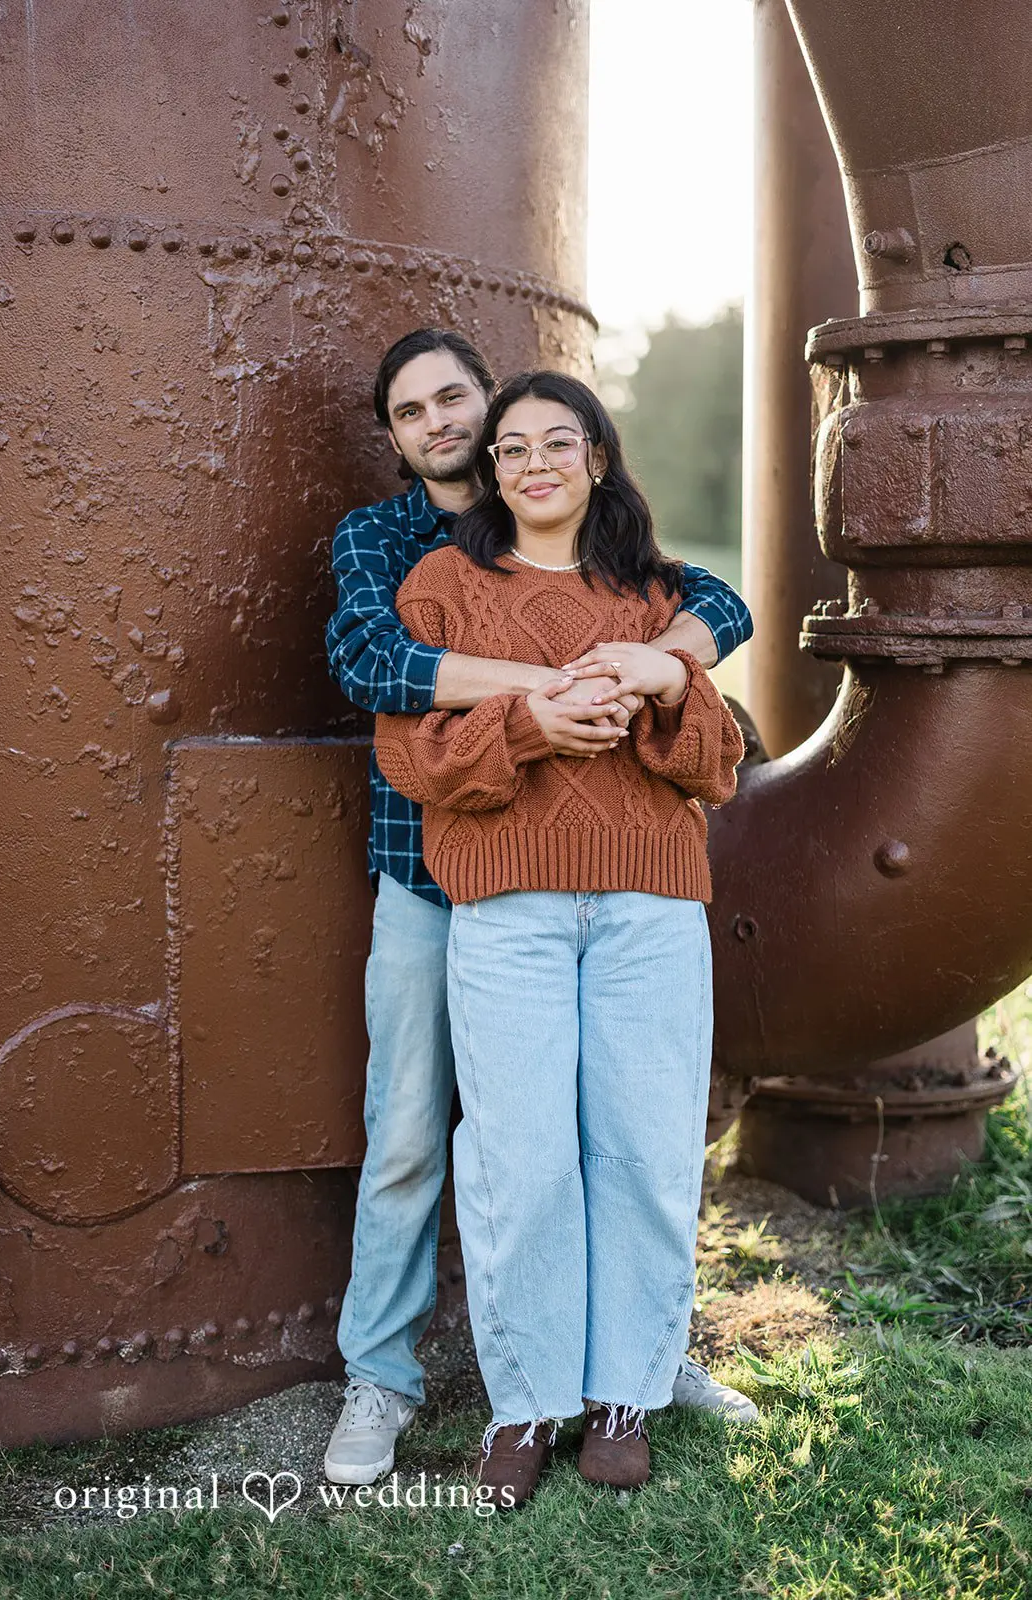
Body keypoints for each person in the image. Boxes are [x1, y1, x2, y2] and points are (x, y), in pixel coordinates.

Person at [323, 330, 756, 1489]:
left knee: (640, 1145)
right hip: (453, 885)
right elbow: (378, 679)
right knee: (471, 1145)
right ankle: (446, 1387)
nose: (457, 430)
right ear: (402, 434)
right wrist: (540, 706)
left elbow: (714, 714)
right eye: (414, 411)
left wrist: (657, 669)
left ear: (596, 456)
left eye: (465, 403)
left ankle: (631, 1381)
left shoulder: (660, 588)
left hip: (641, 893)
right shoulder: (403, 561)